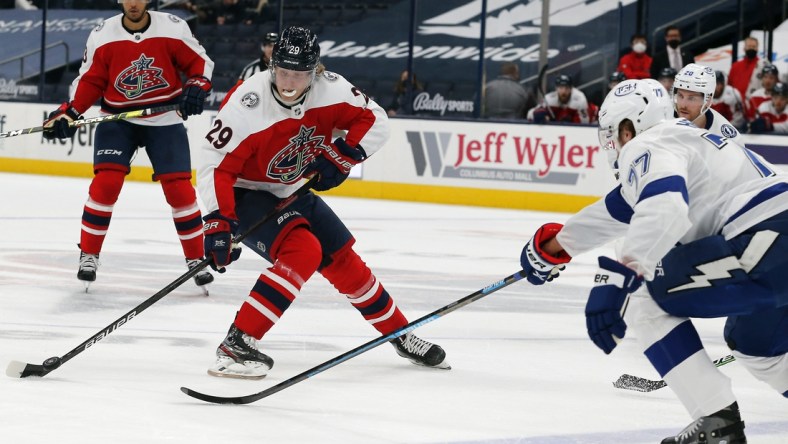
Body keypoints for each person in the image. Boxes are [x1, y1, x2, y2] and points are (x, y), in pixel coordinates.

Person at [519, 78, 787, 443]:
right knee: (757, 344)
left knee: (644, 296)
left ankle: (716, 422)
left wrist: (624, 274)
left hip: (769, 243)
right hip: (775, 239)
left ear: (629, 126)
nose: (612, 144)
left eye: (612, 133)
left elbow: (665, 206)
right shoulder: (692, 136)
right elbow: (620, 209)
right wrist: (556, 246)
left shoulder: (647, 143)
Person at [196, 26, 449, 379]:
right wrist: (219, 221)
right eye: (282, 71)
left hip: (290, 189)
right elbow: (213, 165)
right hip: (245, 191)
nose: (288, 82)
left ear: (314, 71)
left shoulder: (332, 88)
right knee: (303, 251)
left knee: (343, 258)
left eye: (298, 74)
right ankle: (237, 343)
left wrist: (342, 156)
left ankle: (399, 333)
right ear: (271, 65)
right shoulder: (246, 103)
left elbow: (375, 118)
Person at [41, 0, 215, 292]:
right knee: (106, 184)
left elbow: (200, 63)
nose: (134, 3)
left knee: (180, 190)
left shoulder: (173, 27)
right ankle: (89, 254)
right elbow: (90, 80)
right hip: (117, 116)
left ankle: (196, 258)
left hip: (163, 116)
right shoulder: (103, 33)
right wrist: (69, 112)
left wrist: (197, 85)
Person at [672, 63, 745, 145]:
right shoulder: (660, 121)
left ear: (708, 100)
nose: (683, 105)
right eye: (680, 96)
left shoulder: (729, 140)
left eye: (691, 98)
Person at [727, 37, 765, 101]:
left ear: (757, 48)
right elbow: (729, 86)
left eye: (754, 46)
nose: (751, 48)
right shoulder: (735, 66)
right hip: (737, 104)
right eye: (749, 46)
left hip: (755, 103)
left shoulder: (762, 65)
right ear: (744, 48)